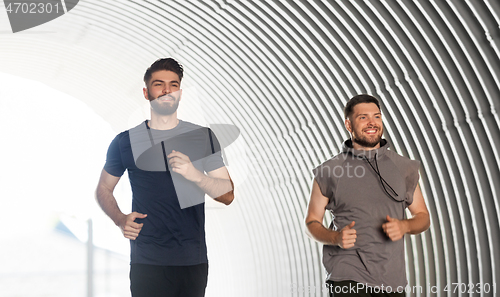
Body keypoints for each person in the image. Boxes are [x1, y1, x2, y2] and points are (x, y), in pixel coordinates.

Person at [95, 58, 234, 297]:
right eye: (159, 84)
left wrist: (195, 175)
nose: (167, 90)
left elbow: (228, 195)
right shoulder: (125, 141)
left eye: (174, 84)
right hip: (147, 262)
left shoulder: (202, 137)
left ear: (180, 92)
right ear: (146, 92)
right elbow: (103, 189)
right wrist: (119, 219)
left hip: (192, 261)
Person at [304, 94, 430, 296]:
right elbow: (311, 223)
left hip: (392, 280)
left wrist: (405, 225)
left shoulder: (404, 167)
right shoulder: (329, 171)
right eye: (363, 117)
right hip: (347, 276)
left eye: (377, 116)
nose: (372, 122)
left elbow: (423, 217)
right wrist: (335, 237)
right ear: (348, 124)